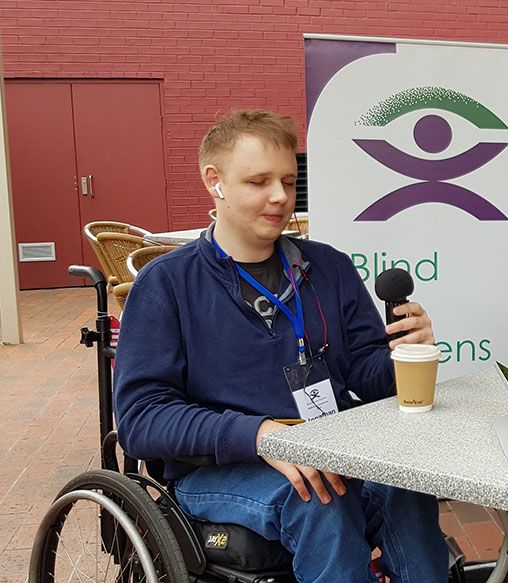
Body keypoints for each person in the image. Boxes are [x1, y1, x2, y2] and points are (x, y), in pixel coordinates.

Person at [113, 110, 448, 582]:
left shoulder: (327, 268)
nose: (280, 198)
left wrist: (405, 355)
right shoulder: (167, 285)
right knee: (319, 499)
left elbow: (369, 380)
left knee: (407, 485)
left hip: (330, 450)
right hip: (219, 468)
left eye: (289, 181)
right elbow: (141, 419)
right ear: (215, 182)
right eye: (259, 181)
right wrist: (258, 435)